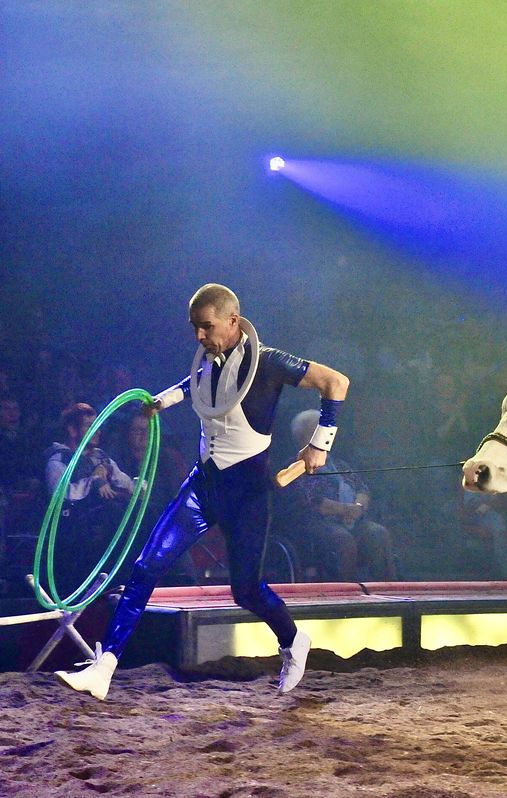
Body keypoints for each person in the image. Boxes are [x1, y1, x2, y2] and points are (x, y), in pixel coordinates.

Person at [56, 284, 350, 700]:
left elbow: (335, 382)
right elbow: (194, 381)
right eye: (194, 328)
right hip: (202, 486)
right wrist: (163, 401)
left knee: (246, 590)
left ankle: (292, 640)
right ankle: (104, 667)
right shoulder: (209, 360)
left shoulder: (268, 362)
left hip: (246, 493)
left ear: (233, 321)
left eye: (206, 327)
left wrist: (321, 442)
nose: (198, 336)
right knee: (145, 568)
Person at [289, 409, 397, 582]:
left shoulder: (339, 464)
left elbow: (362, 489)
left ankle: (389, 589)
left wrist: (358, 508)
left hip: (350, 519)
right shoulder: (295, 468)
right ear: (304, 438)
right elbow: (314, 501)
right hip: (316, 525)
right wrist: (346, 510)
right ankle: (348, 594)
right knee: (343, 539)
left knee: (378, 533)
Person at [43, 402, 136, 590]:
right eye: (89, 426)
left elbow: (128, 485)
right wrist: (94, 482)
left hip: (104, 530)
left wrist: (108, 469)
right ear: (72, 429)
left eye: (98, 425)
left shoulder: (101, 457)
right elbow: (63, 493)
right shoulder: (59, 459)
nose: (97, 431)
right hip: (72, 535)